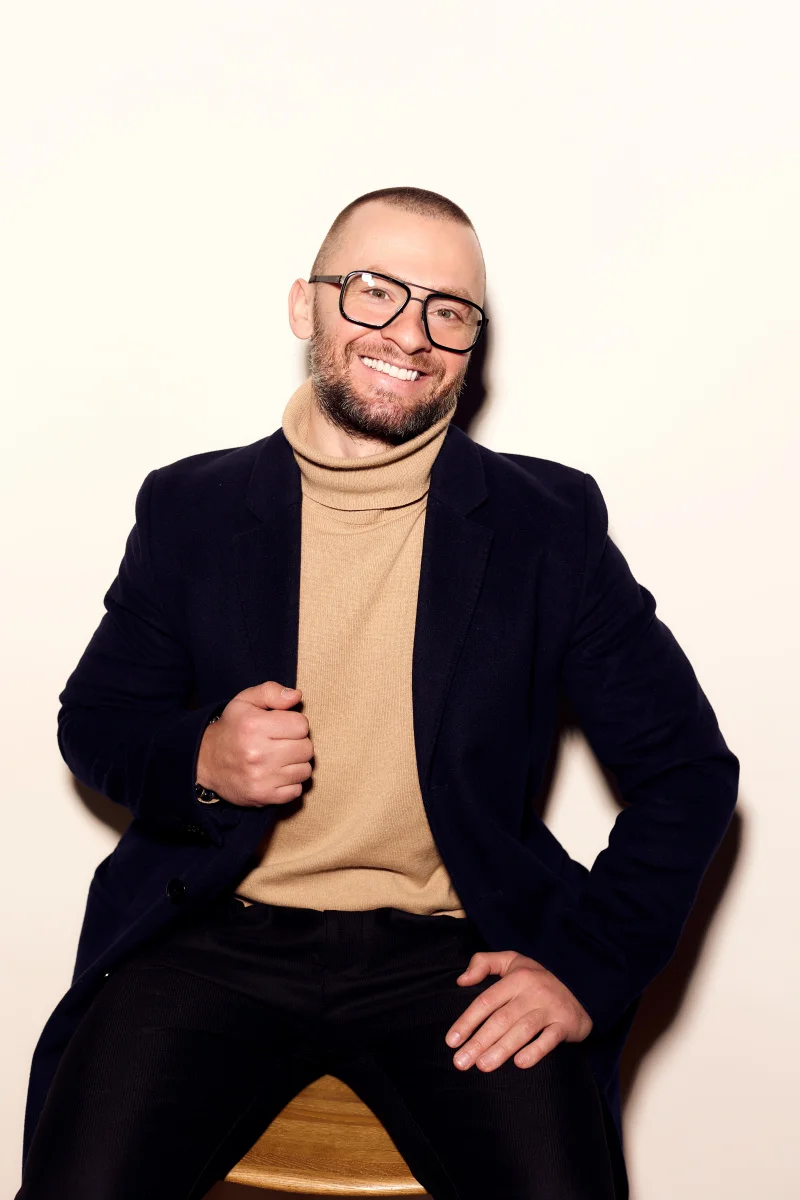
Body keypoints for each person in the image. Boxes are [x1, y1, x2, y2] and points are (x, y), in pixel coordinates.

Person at [16, 186, 739, 1200]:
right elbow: (95, 721)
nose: (410, 332)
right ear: (303, 305)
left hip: (454, 952)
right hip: (216, 936)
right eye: (372, 290)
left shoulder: (546, 524)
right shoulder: (191, 507)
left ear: (474, 344)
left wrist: (586, 967)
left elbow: (687, 773)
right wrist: (200, 760)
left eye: (449, 309)